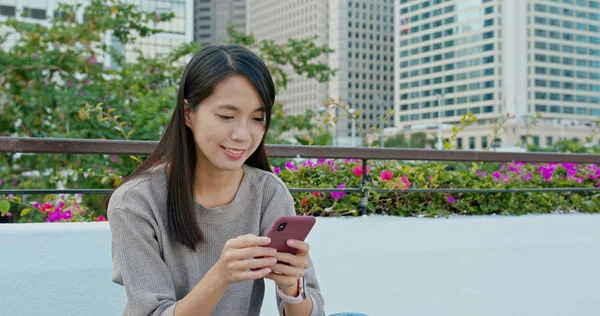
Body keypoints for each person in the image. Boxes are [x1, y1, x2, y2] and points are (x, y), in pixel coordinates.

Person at [106, 44, 325, 316]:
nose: (243, 135)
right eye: (226, 116)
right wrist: (221, 276)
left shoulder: (268, 192)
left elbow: (311, 310)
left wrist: (292, 288)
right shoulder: (136, 202)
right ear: (188, 113)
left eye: (258, 118)